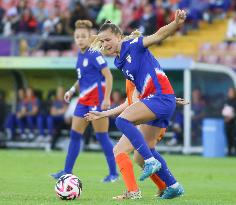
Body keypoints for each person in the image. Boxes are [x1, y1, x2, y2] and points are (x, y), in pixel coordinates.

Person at [86, 9, 187, 197]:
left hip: (159, 98)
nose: (105, 44)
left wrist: (176, 23)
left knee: (123, 122)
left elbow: (158, 35)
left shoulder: (134, 44)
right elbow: (134, 99)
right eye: (102, 41)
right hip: (158, 101)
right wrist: (103, 113)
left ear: (119, 36)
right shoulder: (119, 62)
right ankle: (172, 186)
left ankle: (143, 174)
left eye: (108, 39)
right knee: (141, 152)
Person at [51, 20, 118, 182]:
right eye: (77, 36)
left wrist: (107, 98)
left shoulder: (94, 54)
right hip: (83, 101)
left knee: (102, 137)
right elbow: (82, 79)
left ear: (90, 38)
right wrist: (72, 90)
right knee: (74, 135)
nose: (80, 39)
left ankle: (113, 173)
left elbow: (108, 76)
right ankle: (67, 171)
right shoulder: (80, 56)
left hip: (97, 100)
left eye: (83, 36)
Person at [222, 87, 236, 156]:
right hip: (227, 124)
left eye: (232, 92)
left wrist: (232, 116)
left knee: (234, 138)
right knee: (228, 138)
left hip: (234, 124)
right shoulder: (226, 101)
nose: (231, 93)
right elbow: (223, 111)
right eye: (229, 92)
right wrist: (225, 117)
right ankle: (229, 152)